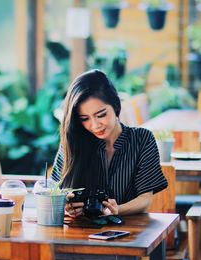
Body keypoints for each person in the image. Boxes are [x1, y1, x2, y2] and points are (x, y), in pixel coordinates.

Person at [50, 69, 167, 219]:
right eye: (85, 118)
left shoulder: (142, 139)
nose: (95, 125)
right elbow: (53, 191)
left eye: (101, 115)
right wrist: (66, 207)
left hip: (131, 234)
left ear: (116, 106)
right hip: (80, 233)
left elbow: (145, 199)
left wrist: (117, 209)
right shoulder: (74, 142)